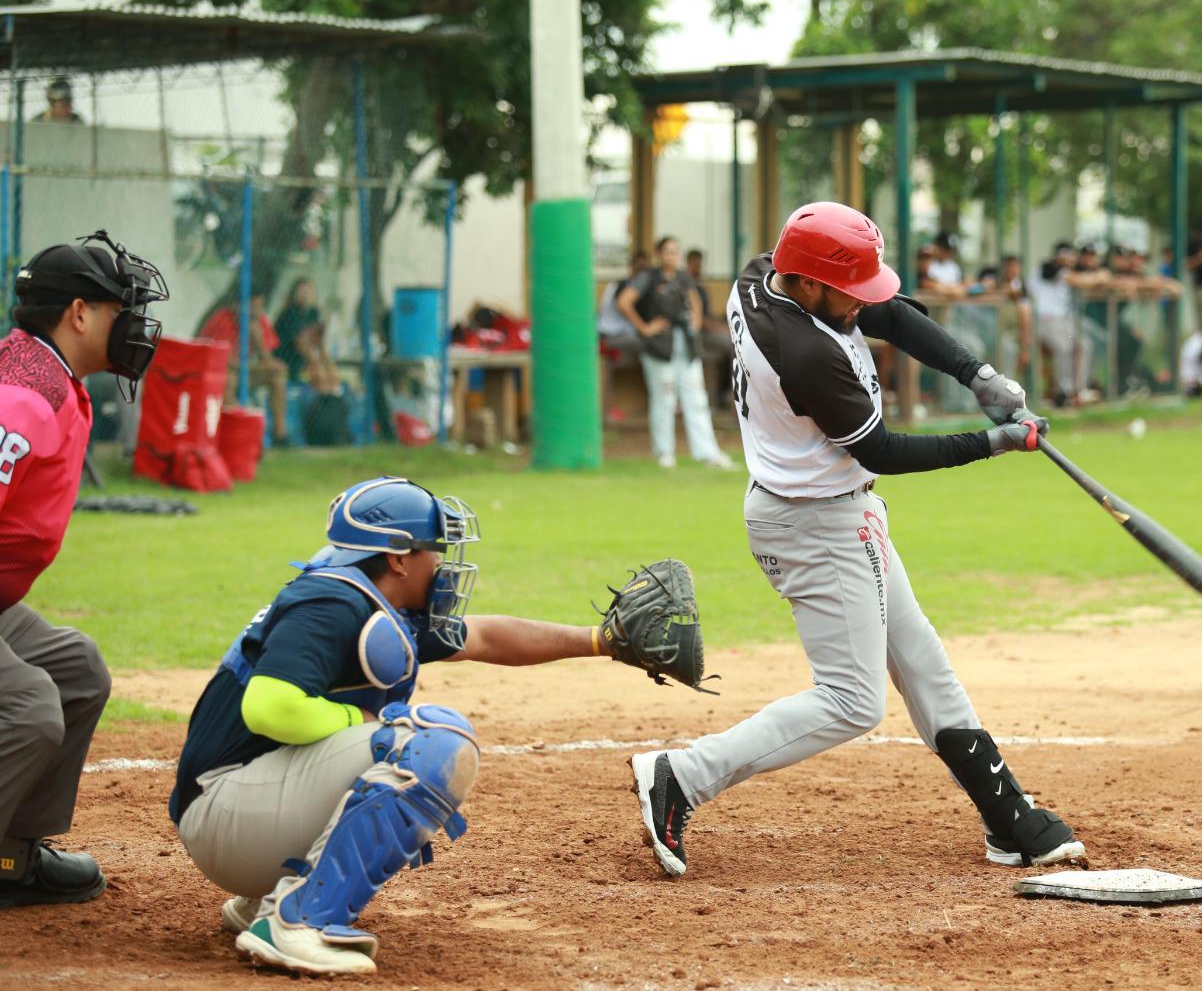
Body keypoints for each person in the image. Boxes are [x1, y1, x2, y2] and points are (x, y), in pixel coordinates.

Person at [628, 201, 1085, 880]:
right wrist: (993, 441)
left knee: (921, 659)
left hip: (832, 511)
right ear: (809, 284)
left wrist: (975, 374)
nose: (861, 303)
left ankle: (1009, 818)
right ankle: (682, 776)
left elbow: (891, 313)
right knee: (852, 700)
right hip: (815, 525)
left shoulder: (766, 275)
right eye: (849, 290)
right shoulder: (806, 354)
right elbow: (882, 448)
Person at [170, 476, 706, 975]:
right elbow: (270, 707)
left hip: (242, 817)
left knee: (412, 738)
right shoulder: (329, 604)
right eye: (435, 550)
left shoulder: (369, 597)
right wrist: (357, 718)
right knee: (433, 742)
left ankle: (272, 897)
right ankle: (297, 922)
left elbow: (485, 638)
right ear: (399, 558)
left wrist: (598, 641)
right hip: (227, 817)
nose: (444, 563)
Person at [1, 230, 169, 909]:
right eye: (118, 308)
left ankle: (12, 856)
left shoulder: (47, 376)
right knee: (27, 707)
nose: (132, 325)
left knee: (75, 671)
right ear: (79, 313)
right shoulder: (23, 394)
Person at [616, 236, 734, 469]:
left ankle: (707, 453)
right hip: (660, 346)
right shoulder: (649, 278)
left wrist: (695, 326)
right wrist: (644, 327)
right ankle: (664, 452)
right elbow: (624, 302)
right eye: (668, 251)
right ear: (660, 254)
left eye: (676, 251)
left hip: (685, 345)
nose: (672, 256)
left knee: (696, 399)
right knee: (664, 398)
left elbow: (695, 303)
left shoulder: (684, 278)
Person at [201, 293, 290, 445]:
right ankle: (236, 432)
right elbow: (226, 361)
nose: (256, 312)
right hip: (221, 372)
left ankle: (279, 434)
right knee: (230, 380)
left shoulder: (258, 322)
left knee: (277, 377)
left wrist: (257, 337)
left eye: (260, 307)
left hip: (246, 372)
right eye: (252, 307)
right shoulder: (222, 319)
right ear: (237, 306)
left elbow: (267, 359)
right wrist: (256, 367)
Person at [1027, 243, 1089, 407]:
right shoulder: (1043, 268)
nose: (1067, 260)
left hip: (1064, 321)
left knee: (1084, 345)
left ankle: (1079, 390)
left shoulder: (1066, 271)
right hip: (1044, 320)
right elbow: (1076, 279)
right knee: (1063, 347)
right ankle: (1063, 392)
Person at [272, 278, 340, 396]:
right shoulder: (290, 313)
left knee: (331, 372)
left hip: (305, 359)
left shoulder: (313, 313)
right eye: (301, 292)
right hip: (287, 360)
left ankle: (332, 397)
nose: (305, 295)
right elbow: (300, 343)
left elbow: (318, 340)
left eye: (309, 292)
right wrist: (316, 363)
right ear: (294, 295)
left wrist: (328, 363)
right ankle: (323, 397)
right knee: (318, 373)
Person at [688, 247, 735, 408]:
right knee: (731, 344)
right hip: (697, 336)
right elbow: (699, 321)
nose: (698, 268)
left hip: (709, 333)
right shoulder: (687, 286)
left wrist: (723, 323)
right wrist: (721, 329)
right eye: (695, 264)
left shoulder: (701, 287)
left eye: (700, 264)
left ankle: (726, 391)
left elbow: (707, 315)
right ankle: (730, 393)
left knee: (736, 341)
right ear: (688, 264)